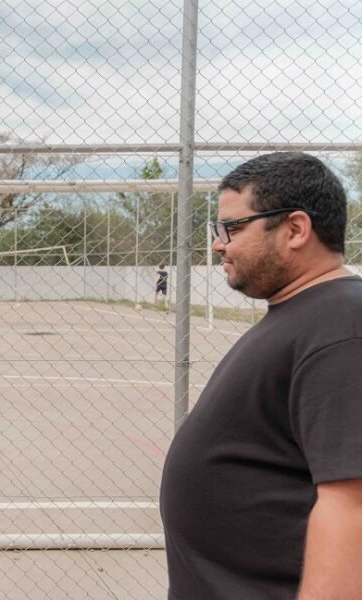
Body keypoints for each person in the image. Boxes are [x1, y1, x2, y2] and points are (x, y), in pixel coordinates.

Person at [160, 152, 362, 599]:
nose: (218, 244)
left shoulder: (344, 325)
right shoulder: (303, 313)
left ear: (295, 229)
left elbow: (352, 507)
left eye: (232, 228)